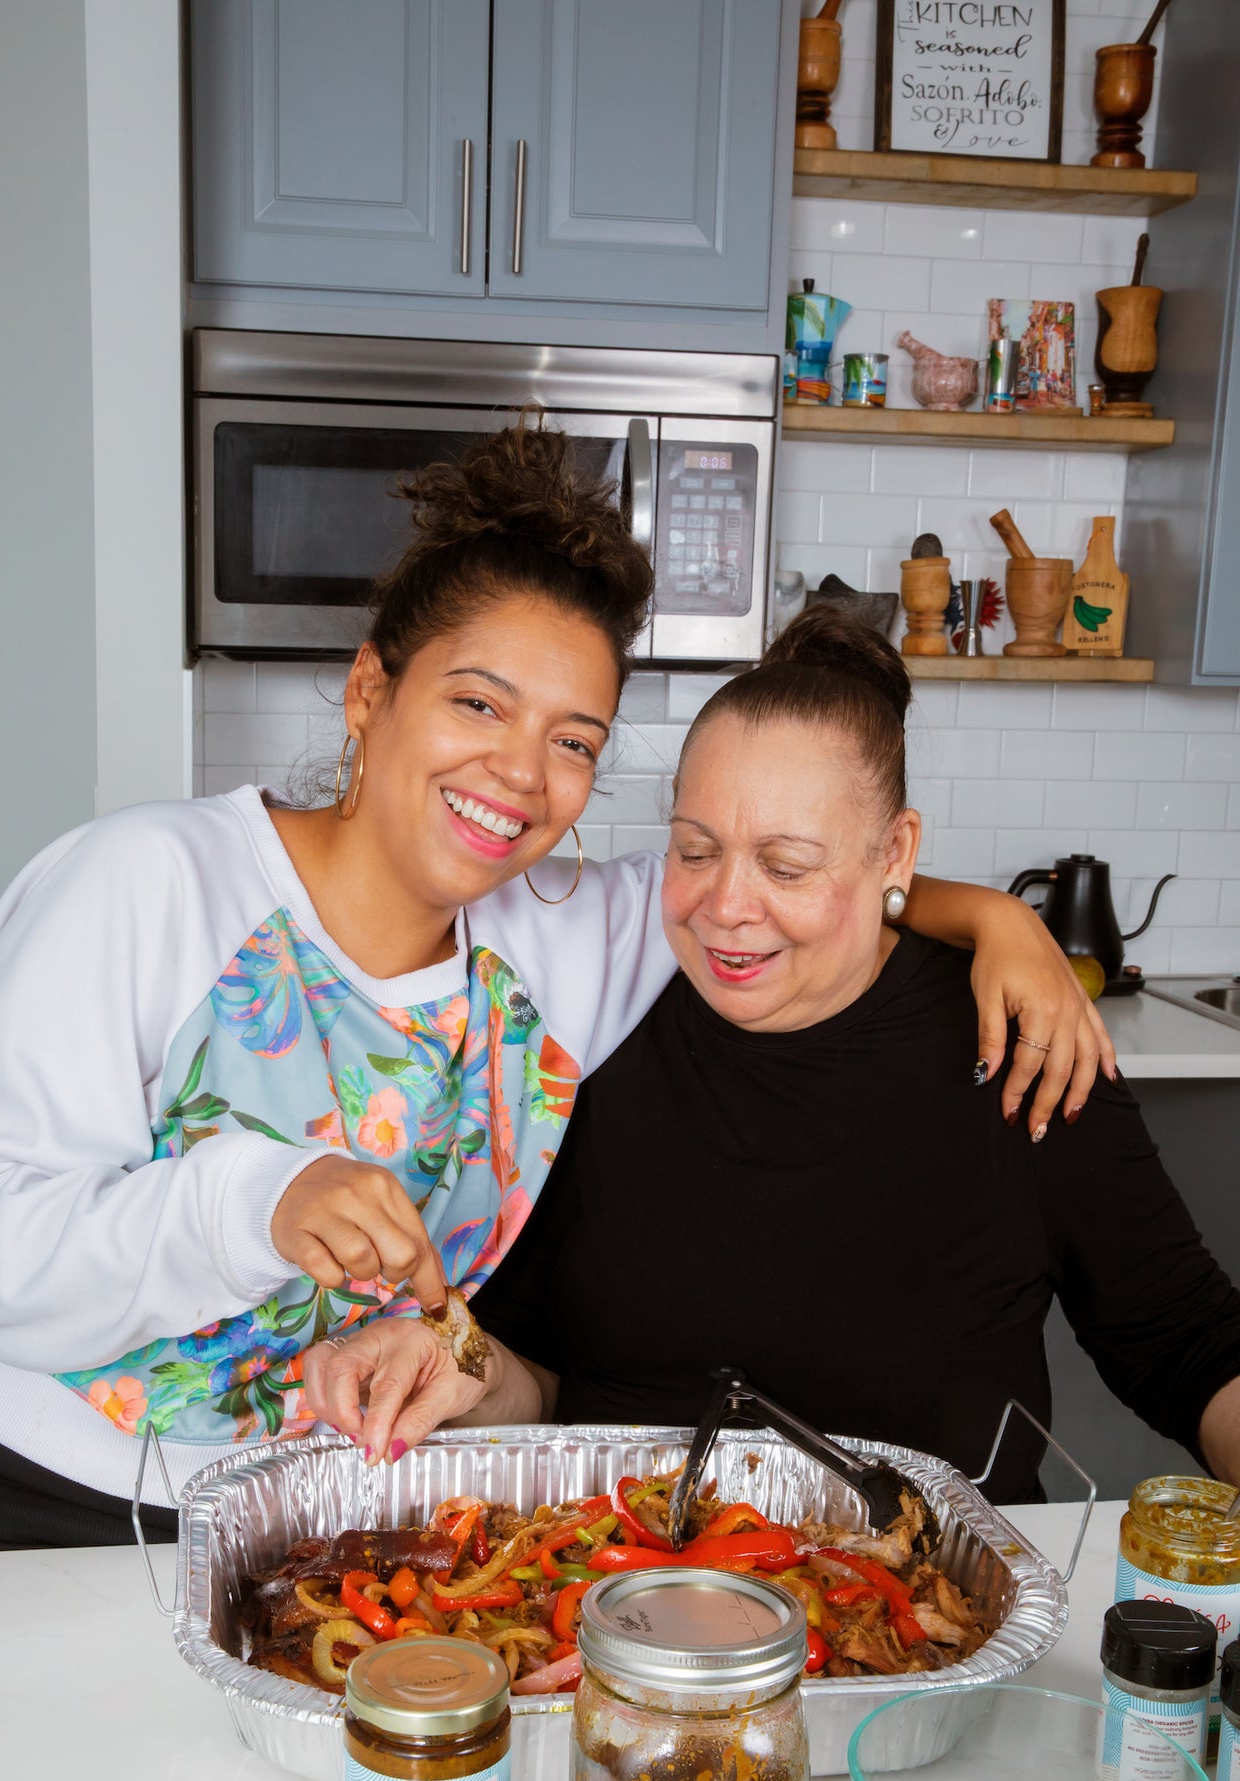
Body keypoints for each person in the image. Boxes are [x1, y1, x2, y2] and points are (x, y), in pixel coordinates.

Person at [0, 429, 1107, 1560]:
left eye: (575, 739)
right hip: (37, 1505)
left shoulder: (558, 934)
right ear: (372, 690)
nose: (522, 773)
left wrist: (995, 918)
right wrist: (254, 1200)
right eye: (479, 702)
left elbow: (783, 878)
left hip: (336, 1525)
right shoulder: (149, 881)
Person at [444, 609, 1240, 1502]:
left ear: (895, 852)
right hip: (623, 1594)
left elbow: (1188, 1344)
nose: (725, 907)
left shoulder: (1017, 1047)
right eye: (694, 850)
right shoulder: (602, 1020)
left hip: (928, 1616)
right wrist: (459, 1369)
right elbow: (536, 1378)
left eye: (785, 867)